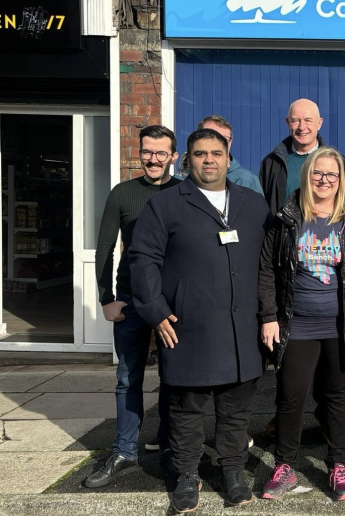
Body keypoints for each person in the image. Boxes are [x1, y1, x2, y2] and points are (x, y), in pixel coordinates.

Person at [129, 128, 270, 513]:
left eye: (216, 153)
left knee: (235, 411)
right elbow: (142, 261)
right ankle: (186, 475)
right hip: (187, 327)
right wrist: (155, 311)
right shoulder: (166, 205)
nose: (209, 160)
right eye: (199, 153)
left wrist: (270, 315)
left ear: (228, 157)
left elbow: (270, 264)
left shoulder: (254, 204)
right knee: (187, 411)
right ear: (186, 159)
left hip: (243, 330)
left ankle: (233, 472)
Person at [258, 147, 345, 502]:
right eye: (317, 173)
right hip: (297, 323)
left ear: (340, 180)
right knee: (290, 398)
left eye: (332, 175)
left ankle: (337, 464)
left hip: (341, 324)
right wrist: (268, 316)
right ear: (307, 175)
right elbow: (267, 269)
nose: (324, 180)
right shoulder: (287, 217)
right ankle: (285, 466)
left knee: (338, 397)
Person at [86, 125, 181, 488]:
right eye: (147, 152)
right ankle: (125, 449)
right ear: (138, 152)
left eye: (161, 153)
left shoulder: (184, 192)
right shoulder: (122, 194)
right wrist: (106, 299)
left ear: (173, 155)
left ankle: (173, 448)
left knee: (175, 377)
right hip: (129, 302)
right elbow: (106, 249)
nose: (153, 159)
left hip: (170, 304)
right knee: (128, 378)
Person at [259, 98, 345, 215]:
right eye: (295, 120)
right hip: (282, 232)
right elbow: (262, 208)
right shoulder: (272, 163)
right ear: (287, 122)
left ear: (319, 123)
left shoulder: (340, 164)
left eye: (308, 120)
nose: (302, 127)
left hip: (327, 232)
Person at [179, 115, 263, 195]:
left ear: (230, 142)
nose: (216, 142)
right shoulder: (178, 180)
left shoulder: (247, 181)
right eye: (209, 136)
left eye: (223, 139)